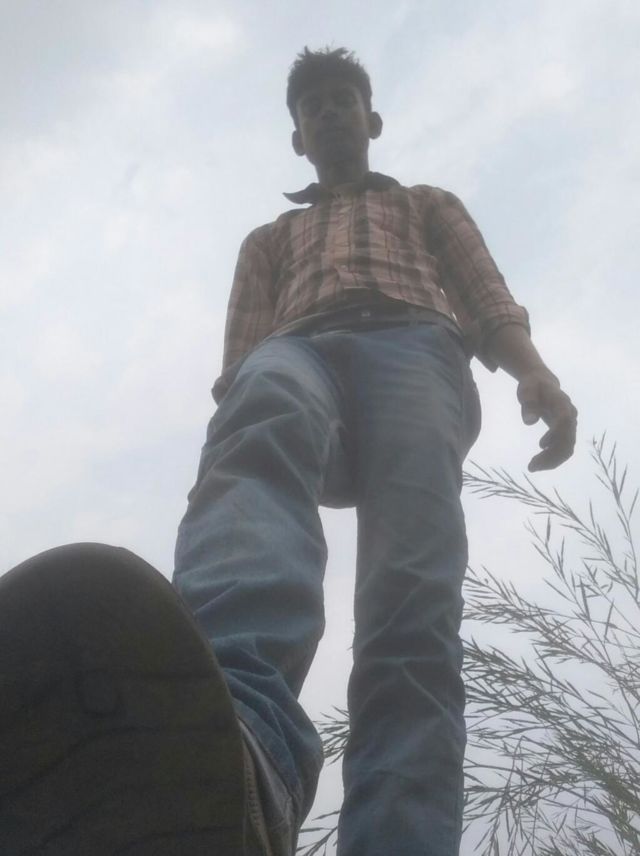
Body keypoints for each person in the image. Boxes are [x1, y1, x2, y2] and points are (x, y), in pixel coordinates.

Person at [0, 47, 576, 856]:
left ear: (373, 121)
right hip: (297, 346)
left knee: (412, 595)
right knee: (262, 412)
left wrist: (535, 373)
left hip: (415, 346)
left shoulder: (425, 204)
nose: (331, 111)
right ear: (298, 137)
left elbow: (484, 296)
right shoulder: (269, 240)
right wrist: (241, 410)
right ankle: (228, 752)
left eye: (344, 99)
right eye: (315, 107)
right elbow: (241, 362)